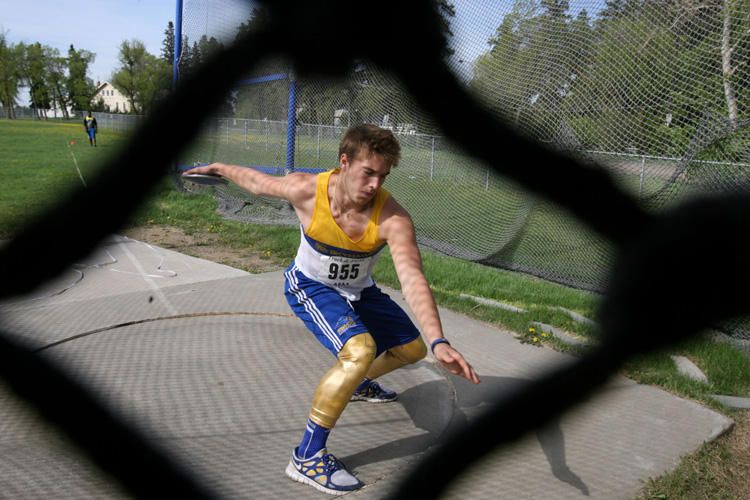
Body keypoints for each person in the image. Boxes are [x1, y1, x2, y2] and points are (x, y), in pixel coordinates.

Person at [184, 124, 480, 495]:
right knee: (359, 350)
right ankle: (306, 456)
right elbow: (259, 182)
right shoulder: (307, 190)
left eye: (383, 175)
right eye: (367, 172)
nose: (375, 185)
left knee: (413, 349)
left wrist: (438, 341)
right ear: (344, 162)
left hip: (359, 291)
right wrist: (219, 168)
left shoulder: (393, 218)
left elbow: (412, 278)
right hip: (311, 285)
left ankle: (356, 383)